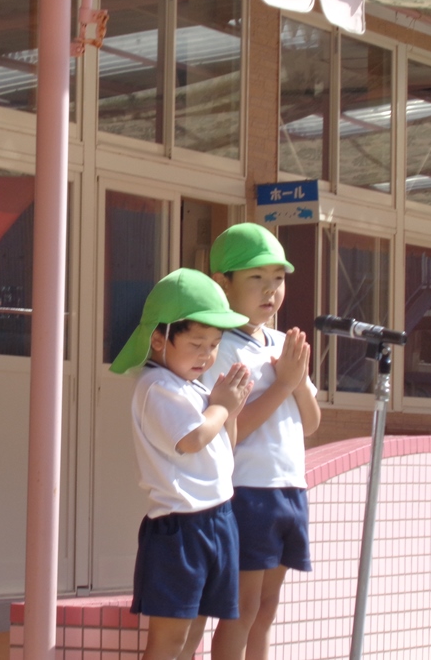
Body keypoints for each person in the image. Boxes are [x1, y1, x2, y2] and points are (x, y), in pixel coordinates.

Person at [109, 268, 254, 660]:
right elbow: (192, 439)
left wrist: (230, 410)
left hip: (218, 519)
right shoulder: (156, 386)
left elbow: (224, 446)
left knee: (192, 638)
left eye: (215, 345)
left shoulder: (196, 387)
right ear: (159, 339)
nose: (207, 355)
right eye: (196, 343)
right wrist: (222, 406)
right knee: (169, 641)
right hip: (180, 529)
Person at [205, 223, 322, 660]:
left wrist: (297, 380)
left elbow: (311, 423)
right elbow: (231, 428)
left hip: (290, 488)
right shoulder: (221, 346)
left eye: (278, 278)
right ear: (223, 283)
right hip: (248, 490)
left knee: (268, 608)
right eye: (256, 277)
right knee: (243, 607)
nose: (271, 289)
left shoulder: (282, 342)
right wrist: (284, 382)